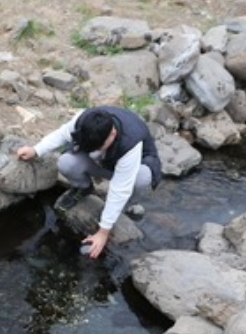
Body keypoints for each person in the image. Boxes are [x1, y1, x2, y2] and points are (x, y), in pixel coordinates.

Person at [16, 106, 163, 259]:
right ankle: (84, 188)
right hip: (103, 163)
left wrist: (103, 232)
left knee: (141, 178)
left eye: (99, 147)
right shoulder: (84, 120)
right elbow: (61, 134)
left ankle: (126, 206)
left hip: (132, 168)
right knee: (66, 162)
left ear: (113, 134)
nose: (94, 150)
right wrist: (36, 150)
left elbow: (120, 188)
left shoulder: (130, 143)